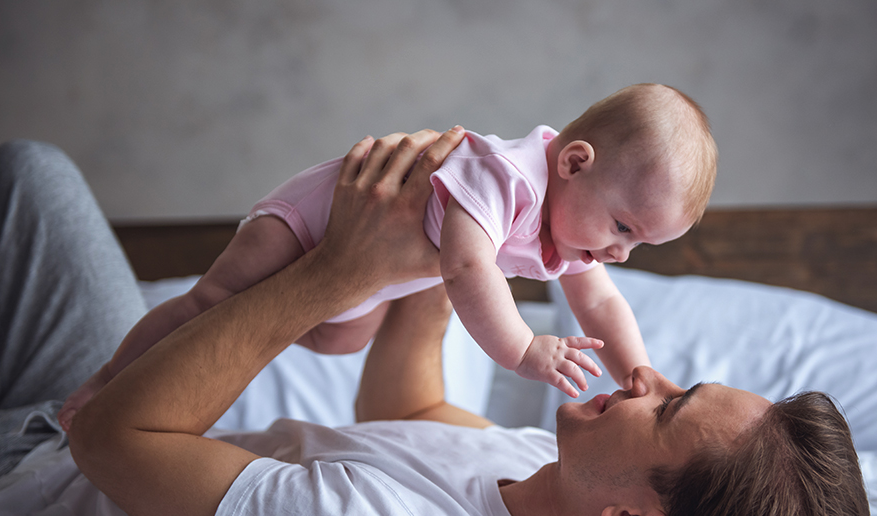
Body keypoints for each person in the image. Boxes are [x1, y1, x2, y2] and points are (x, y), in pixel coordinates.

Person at [0, 133, 870, 516]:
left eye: (668, 408)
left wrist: (340, 272)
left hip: (29, 461)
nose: (644, 379)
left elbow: (111, 432)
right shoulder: (551, 481)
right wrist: (453, 235)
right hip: (55, 426)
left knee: (33, 177)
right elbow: (407, 413)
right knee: (31, 177)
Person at [57, 84, 718, 431]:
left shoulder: (572, 229)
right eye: (622, 226)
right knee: (210, 305)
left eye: (637, 244)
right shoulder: (508, 178)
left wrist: (639, 372)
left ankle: (291, 317)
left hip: (356, 275)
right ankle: (106, 379)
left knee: (341, 339)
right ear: (574, 163)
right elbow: (467, 269)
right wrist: (523, 351)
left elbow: (601, 302)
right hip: (307, 224)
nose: (618, 251)